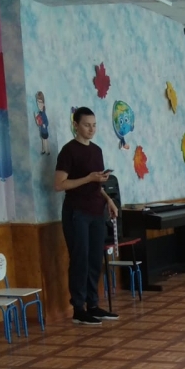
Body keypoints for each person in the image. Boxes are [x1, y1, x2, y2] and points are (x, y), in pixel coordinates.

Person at [54, 107, 119, 325]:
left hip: (96, 211)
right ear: (76, 125)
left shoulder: (97, 151)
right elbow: (59, 184)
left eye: (94, 125)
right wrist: (88, 178)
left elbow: (96, 184)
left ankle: (93, 305)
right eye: (86, 125)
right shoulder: (68, 151)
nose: (91, 129)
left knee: (94, 260)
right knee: (80, 260)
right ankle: (78, 309)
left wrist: (108, 200)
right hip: (77, 213)